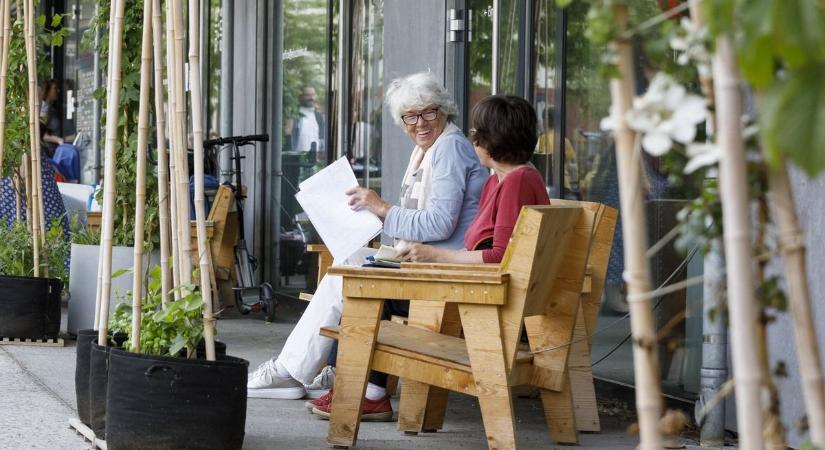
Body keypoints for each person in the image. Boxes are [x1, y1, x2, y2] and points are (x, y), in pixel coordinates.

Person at [246, 72, 487, 418]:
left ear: (444, 111)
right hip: (423, 262)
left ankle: (292, 372)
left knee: (346, 274)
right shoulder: (430, 148)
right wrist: (373, 212)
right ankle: (302, 369)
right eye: (410, 116)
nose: (419, 123)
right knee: (346, 263)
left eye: (428, 113)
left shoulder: (448, 148)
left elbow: (439, 222)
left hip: (438, 271)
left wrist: (381, 208)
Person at [307, 95, 551, 420]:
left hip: (486, 299)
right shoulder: (506, 179)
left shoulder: (516, 182)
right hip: (486, 292)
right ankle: (366, 390)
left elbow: (499, 256)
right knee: (380, 282)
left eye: (477, 130)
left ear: (492, 138)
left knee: (371, 290)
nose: (471, 136)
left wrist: (435, 254)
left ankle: (364, 390)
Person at [290, 86, 326, 154]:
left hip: (315, 157)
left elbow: (322, 138)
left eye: (313, 95)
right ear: (301, 97)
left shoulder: (318, 116)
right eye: (308, 95)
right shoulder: (295, 114)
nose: (311, 98)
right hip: (298, 156)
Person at [40, 80, 65, 158]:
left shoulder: (51, 108)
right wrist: (59, 140)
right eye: (55, 88)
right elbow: (42, 134)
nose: (58, 91)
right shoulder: (45, 108)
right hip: (51, 152)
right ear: (48, 91)